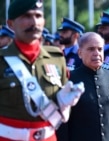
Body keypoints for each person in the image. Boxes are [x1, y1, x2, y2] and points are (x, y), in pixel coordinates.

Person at [0, 0, 84, 140]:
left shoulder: (56, 58)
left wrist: (62, 106)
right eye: (26, 16)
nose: (34, 22)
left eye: (38, 16)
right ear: (10, 24)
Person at [58, 32, 109, 141]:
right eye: (91, 49)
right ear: (80, 53)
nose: (96, 53)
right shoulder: (69, 80)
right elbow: (63, 126)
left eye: (100, 49)